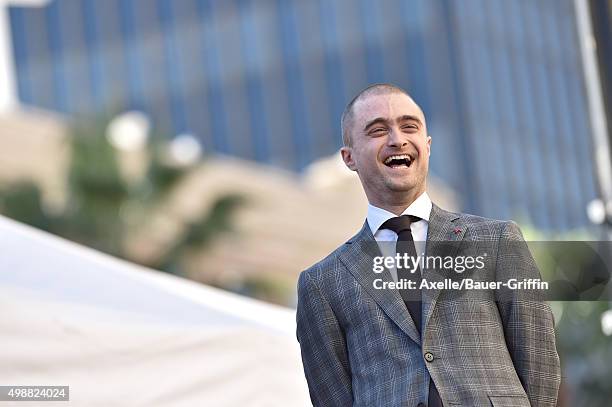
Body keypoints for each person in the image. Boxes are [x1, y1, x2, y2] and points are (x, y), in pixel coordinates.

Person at [296, 83, 561, 407]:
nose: (397, 139)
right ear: (349, 158)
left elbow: (538, 360)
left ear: (428, 144)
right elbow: (332, 397)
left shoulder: (498, 242)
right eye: (378, 130)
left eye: (409, 127)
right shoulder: (321, 284)